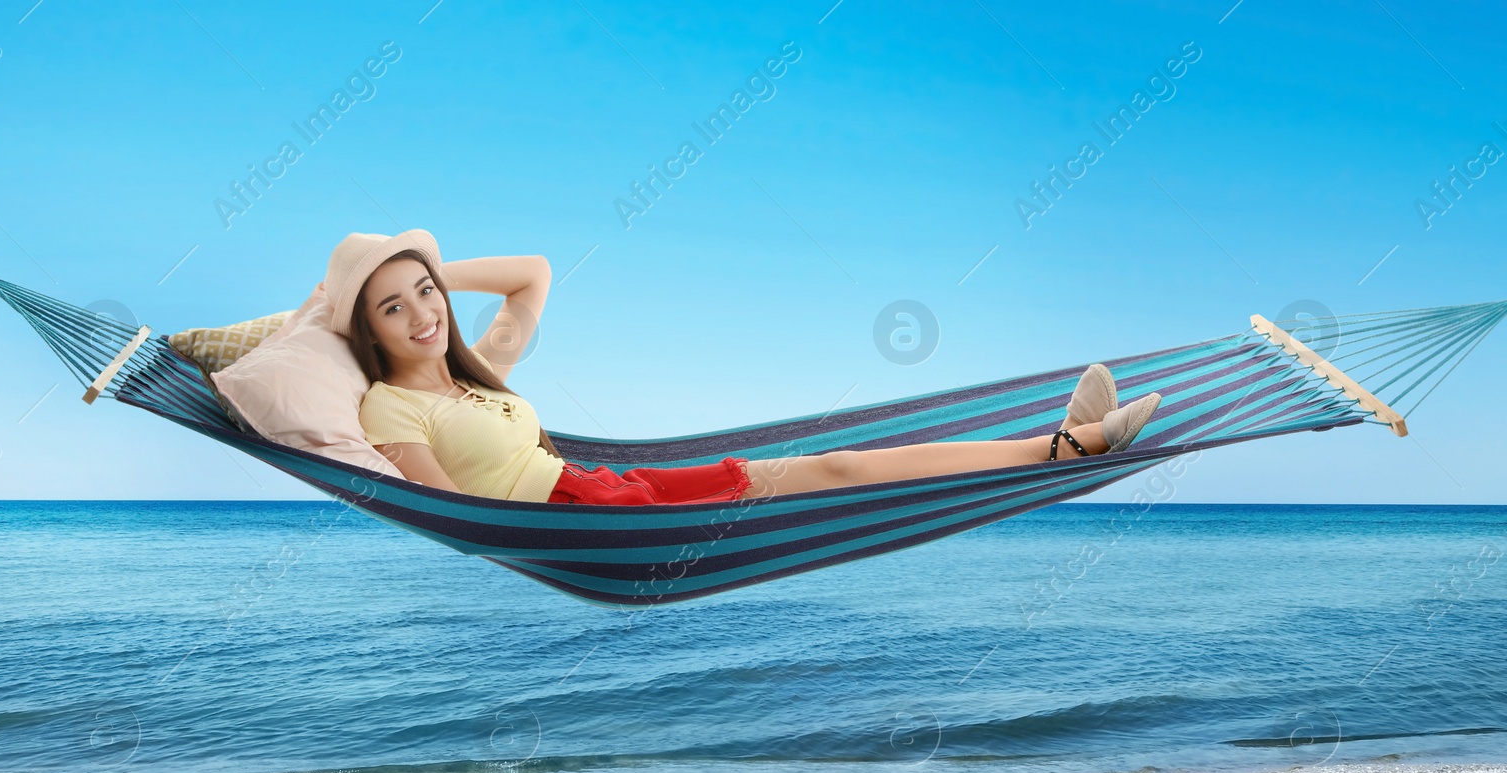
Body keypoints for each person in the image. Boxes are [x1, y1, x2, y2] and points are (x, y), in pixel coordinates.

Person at [328, 230, 1160, 505]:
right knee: (836, 465)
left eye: (424, 291)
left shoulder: (475, 375)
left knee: (839, 461)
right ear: (369, 331)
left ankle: (1064, 443)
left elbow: (533, 273)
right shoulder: (389, 407)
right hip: (587, 521)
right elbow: (454, 509)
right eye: (392, 307)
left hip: (609, 488)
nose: (424, 312)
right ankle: (1068, 447)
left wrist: (433, 265)